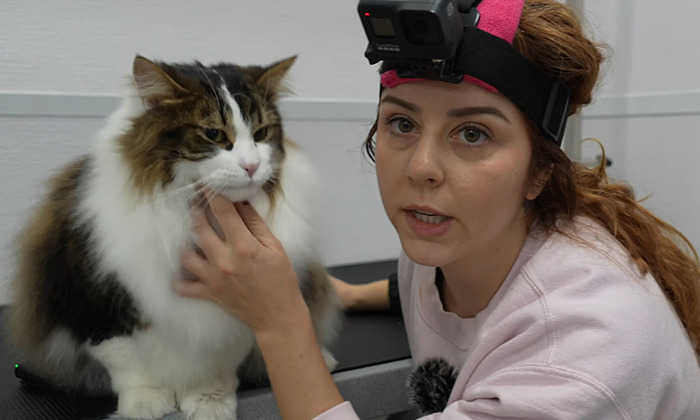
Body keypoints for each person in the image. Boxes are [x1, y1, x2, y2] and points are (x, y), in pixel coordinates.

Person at [176, 0, 700, 418]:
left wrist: (280, 322)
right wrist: (355, 295)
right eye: (402, 123)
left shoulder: (580, 356)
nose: (421, 168)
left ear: (540, 171)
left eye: (472, 133)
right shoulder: (451, 244)